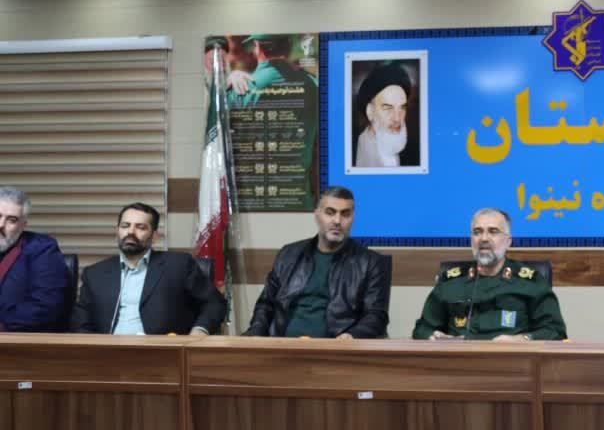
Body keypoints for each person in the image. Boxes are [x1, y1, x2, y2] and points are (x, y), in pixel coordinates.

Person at [245, 186, 391, 338]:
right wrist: (255, 334)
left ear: (353, 218)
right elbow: (266, 305)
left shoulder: (371, 263)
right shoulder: (289, 254)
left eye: (345, 214)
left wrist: (352, 336)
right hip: (284, 345)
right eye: (330, 212)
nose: (337, 221)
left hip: (336, 348)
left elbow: (376, 315)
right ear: (317, 214)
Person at [70, 202, 226, 335]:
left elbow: (214, 303)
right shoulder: (95, 274)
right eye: (125, 226)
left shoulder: (179, 265)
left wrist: (199, 331)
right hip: (108, 354)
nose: (131, 232)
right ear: (117, 231)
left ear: (154, 236)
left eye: (141, 227)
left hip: (163, 353)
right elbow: (81, 322)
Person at [412, 208, 567, 341]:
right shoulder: (451, 281)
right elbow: (422, 329)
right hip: (459, 361)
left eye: (493, 231)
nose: (484, 238)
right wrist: (435, 337)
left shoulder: (531, 282)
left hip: (512, 362)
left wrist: (522, 339)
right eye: (477, 232)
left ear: (508, 241)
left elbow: (555, 331)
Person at [0, 186, 69, 332]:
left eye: (11, 220)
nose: (1, 225)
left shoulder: (42, 249)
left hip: (17, 337)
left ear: (23, 225)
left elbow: (46, 306)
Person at [353, 61, 418, 168]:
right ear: (370, 112)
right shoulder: (355, 152)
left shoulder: (409, 151)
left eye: (402, 108)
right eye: (388, 108)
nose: (397, 118)